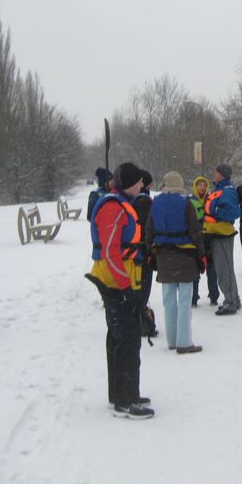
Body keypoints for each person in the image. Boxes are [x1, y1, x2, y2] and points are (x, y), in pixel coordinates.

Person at [85, 162, 153, 419]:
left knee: (118, 336)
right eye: (138, 183)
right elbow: (111, 251)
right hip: (115, 282)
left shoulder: (119, 203)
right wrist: (126, 288)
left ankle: (120, 393)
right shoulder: (113, 207)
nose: (142, 186)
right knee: (127, 338)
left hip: (119, 279)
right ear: (129, 184)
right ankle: (126, 400)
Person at [145, 171, 205, 354]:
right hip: (185, 256)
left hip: (163, 256)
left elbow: (149, 230)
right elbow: (195, 231)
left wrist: (150, 252)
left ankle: (171, 339)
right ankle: (184, 342)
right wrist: (201, 255)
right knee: (185, 300)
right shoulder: (186, 204)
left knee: (168, 300)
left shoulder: (156, 203)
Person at [203, 163, 241, 316]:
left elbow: (233, 212)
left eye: (216, 172)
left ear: (223, 175)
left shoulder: (227, 191)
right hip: (216, 233)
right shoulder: (220, 190)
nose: (214, 174)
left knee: (224, 269)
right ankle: (233, 299)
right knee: (224, 268)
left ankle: (230, 302)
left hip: (222, 234)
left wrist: (215, 213)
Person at [131, 169, 158, 338]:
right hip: (141, 249)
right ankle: (142, 321)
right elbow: (147, 227)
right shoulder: (144, 202)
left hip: (133, 248)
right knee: (143, 285)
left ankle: (138, 319)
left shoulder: (132, 200)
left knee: (136, 285)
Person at [188, 176, 219, 307]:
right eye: (200, 185)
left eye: (204, 185)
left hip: (209, 237)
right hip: (194, 239)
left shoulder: (211, 200)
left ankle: (214, 296)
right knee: (194, 269)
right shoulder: (189, 201)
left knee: (212, 269)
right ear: (195, 186)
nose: (202, 187)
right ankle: (193, 298)